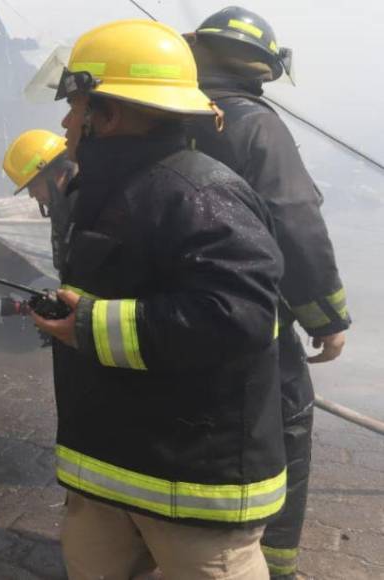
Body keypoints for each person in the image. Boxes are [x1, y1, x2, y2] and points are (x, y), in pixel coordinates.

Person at [33, 19, 287, 579]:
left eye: (76, 104)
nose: (65, 120)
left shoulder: (201, 193)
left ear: (109, 114)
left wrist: (91, 325)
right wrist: (67, 314)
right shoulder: (101, 191)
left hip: (192, 489)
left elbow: (236, 316)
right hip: (107, 471)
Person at [185, 8, 352, 578]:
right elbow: (294, 216)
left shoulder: (159, 116)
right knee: (286, 428)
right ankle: (274, 565)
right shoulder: (254, 123)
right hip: (253, 319)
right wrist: (326, 315)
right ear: (264, 67)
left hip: (175, 316)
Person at [2, 129, 77, 270]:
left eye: (34, 185)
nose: (31, 194)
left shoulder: (88, 205)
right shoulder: (64, 206)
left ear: (58, 173)